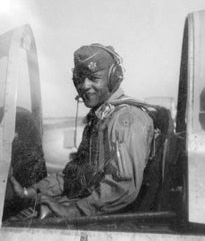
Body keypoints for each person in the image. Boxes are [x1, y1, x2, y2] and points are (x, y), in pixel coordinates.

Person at [9, 44, 154, 218]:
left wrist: (71, 210)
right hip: (88, 207)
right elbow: (73, 176)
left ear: (113, 78)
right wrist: (30, 192)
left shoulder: (126, 120)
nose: (84, 85)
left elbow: (122, 187)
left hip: (105, 216)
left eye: (93, 78)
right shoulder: (100, 119)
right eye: (79, 78)